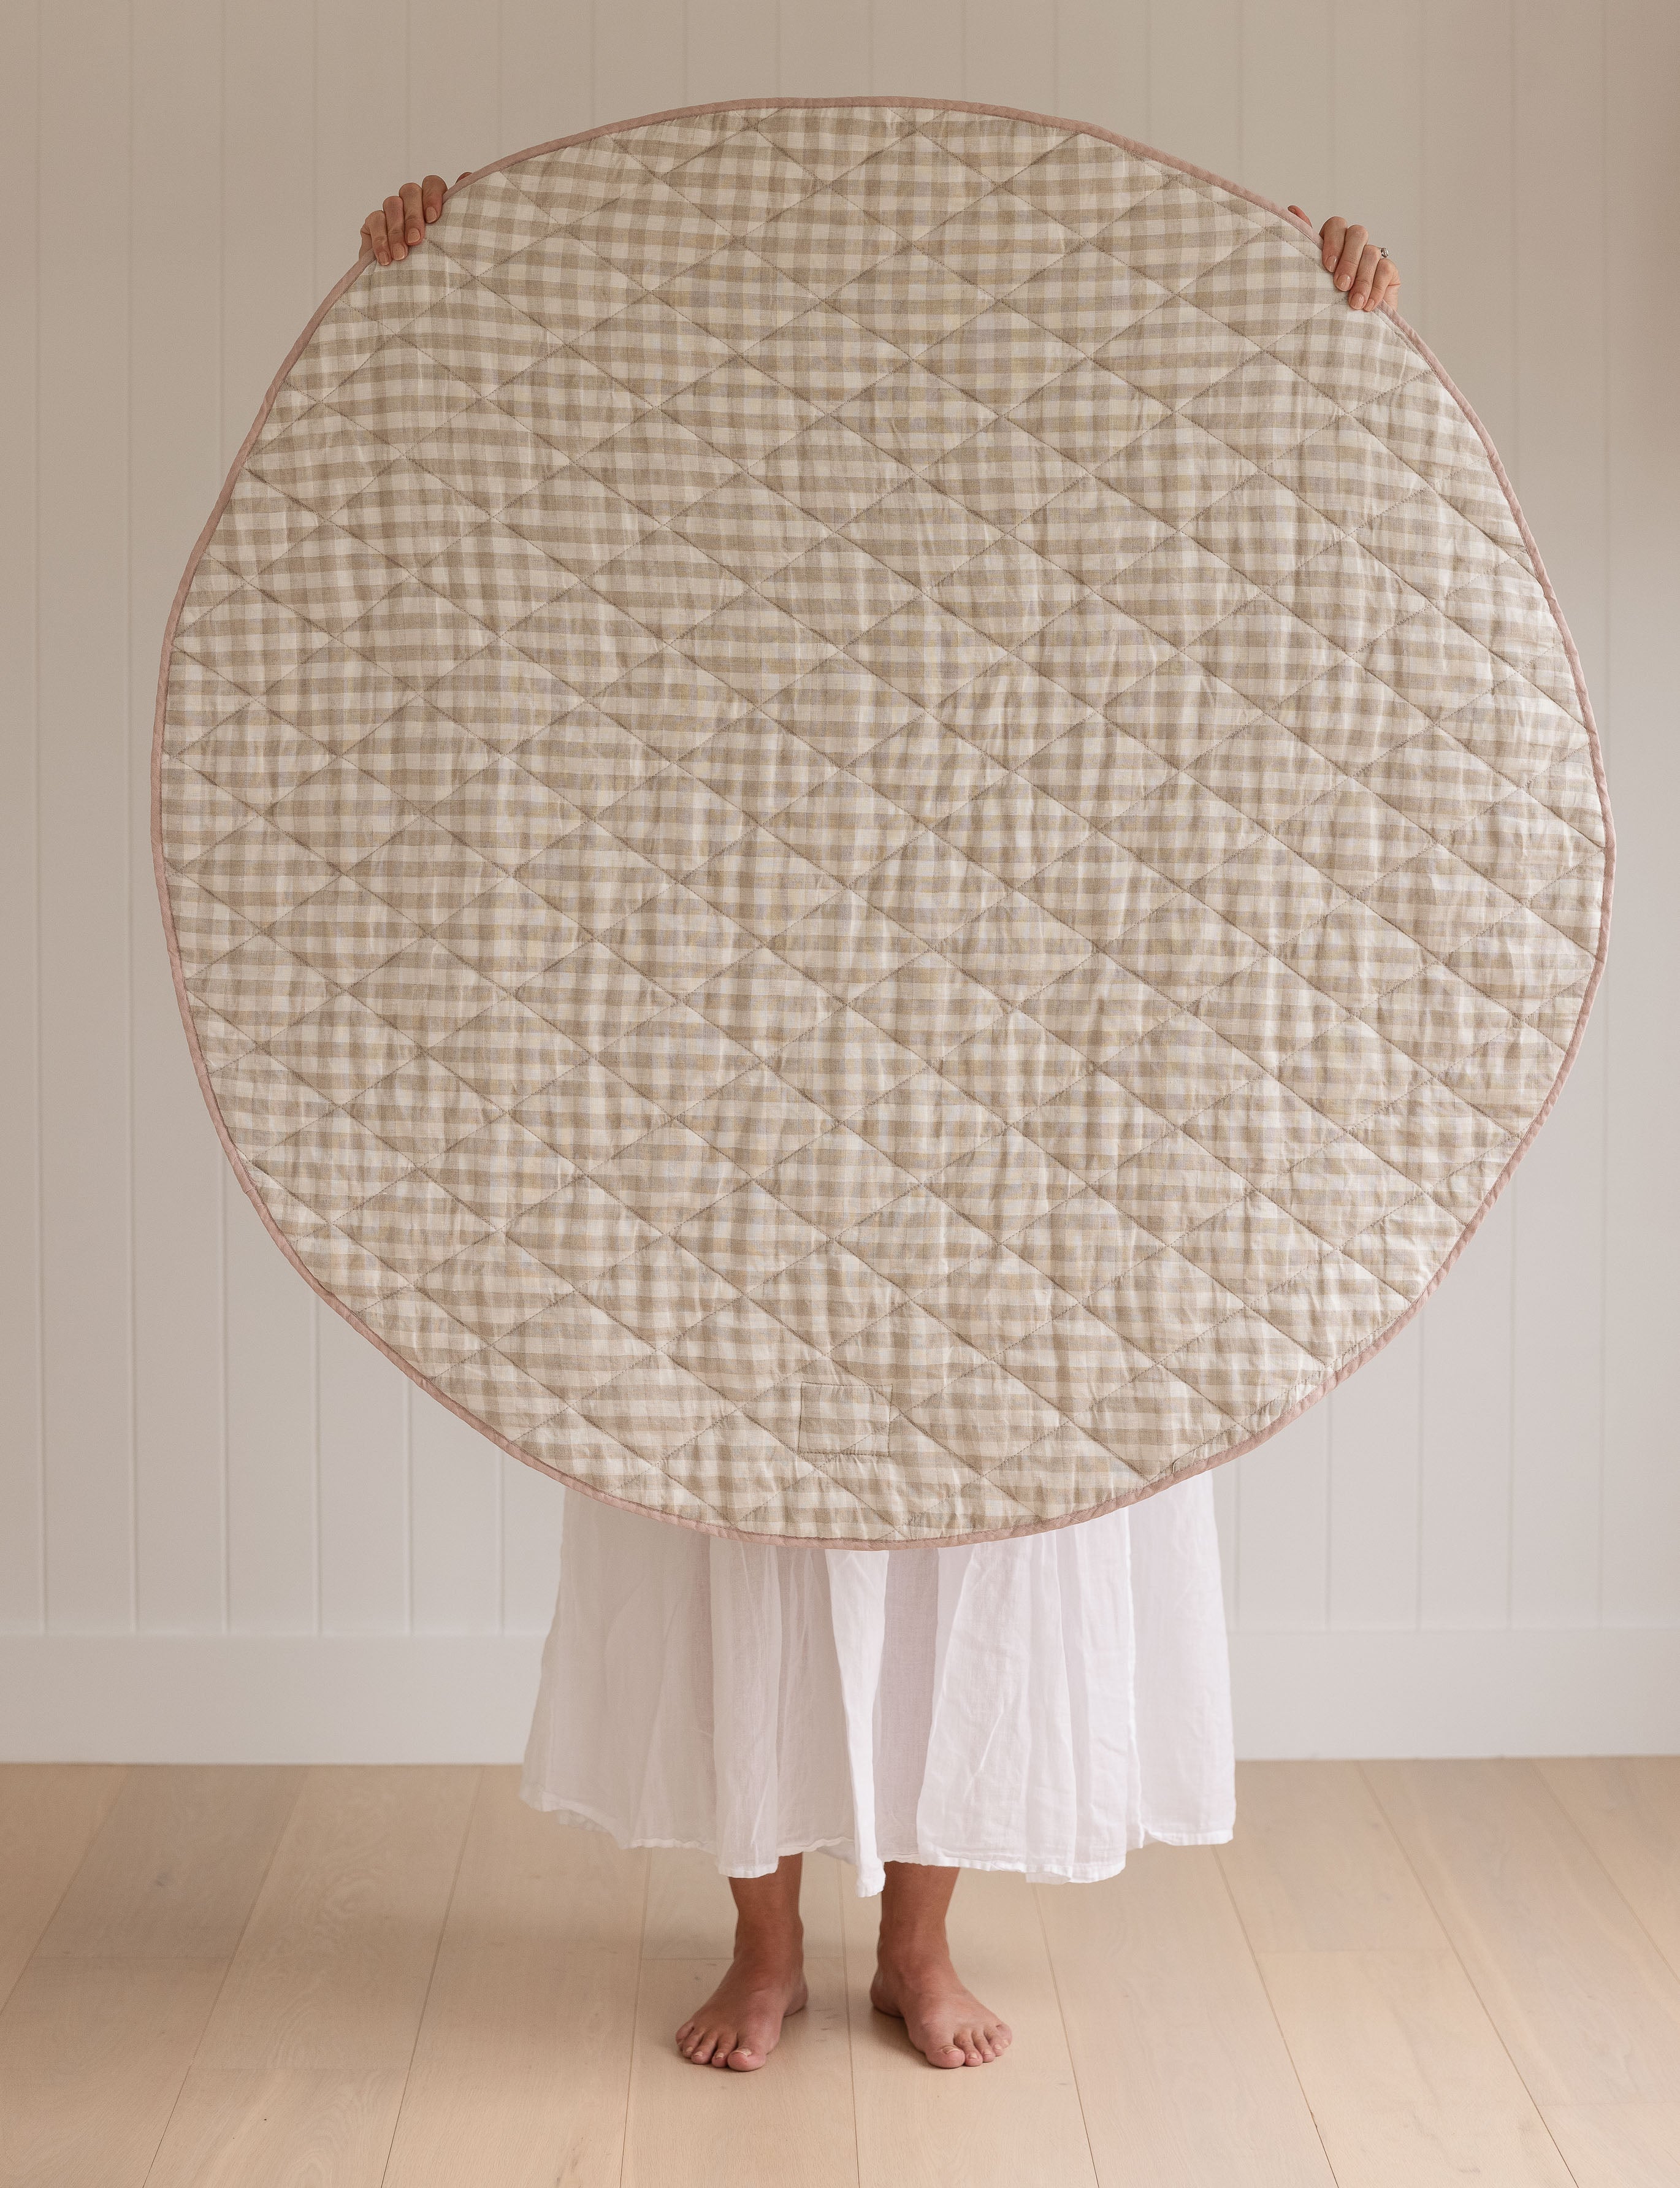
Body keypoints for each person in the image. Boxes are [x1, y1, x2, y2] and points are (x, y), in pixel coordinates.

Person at [359, 161, 1400, 2072]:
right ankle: (761, 1948)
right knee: (732, 1497)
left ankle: (918, 1944)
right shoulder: (703, 501)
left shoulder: (1074, 506)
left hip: (1019, 1079)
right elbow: (528, 562)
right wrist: (435, 306)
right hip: (729, 1061)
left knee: (985, 1497)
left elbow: (1249, 602)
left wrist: (1322, 342)